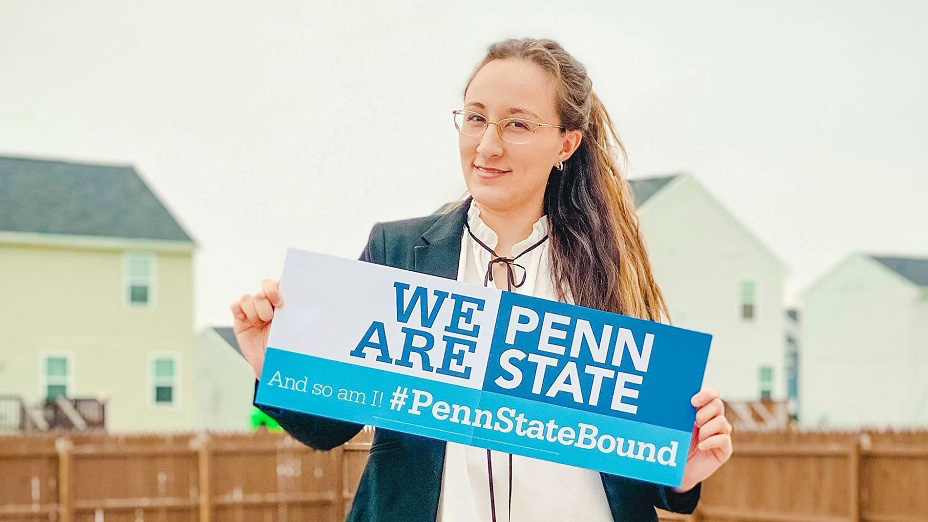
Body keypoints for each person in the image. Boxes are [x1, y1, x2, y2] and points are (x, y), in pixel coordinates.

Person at [232, 38, 733, 522]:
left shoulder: (609, 273)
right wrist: (270, 362)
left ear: (566, 143)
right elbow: (328, 426)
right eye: (475, 118)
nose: (487, 145)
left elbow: (630, 461)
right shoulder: (398, 254)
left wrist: (680, 472)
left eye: (517, 124)